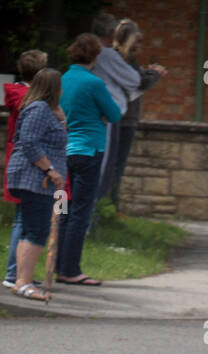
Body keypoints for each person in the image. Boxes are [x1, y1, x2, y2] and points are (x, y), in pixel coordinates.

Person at [56, 33, 121, 287]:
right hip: (88, 151)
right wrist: (100, 116)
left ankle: (57, 265)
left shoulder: (62, 79)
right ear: (95, 56)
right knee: (81, 212)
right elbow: (114, 114)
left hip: (63, 151)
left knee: (63, 210)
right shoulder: (94, 84)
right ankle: (70, 270)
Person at [5, 67, 67, 302]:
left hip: (40, 180)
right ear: (54, 88)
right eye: (60, 87)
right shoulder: (39, 109)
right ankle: (23, 282)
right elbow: (29, 141)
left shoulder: (47, 110)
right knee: (37, 230)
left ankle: (21, 281)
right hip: (35, 179)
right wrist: (49, 169)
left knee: (31, 229)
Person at [98, 19, 165, 205]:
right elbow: (137, 83)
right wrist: (154, 75)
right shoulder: (115, 58)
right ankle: (107, 204)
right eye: (137, 40)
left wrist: (149, 74)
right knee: (111, 164)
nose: (139, 45)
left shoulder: (128, 60)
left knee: (116, 164)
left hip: (126, 118)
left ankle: (111, 204)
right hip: (118, 118)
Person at [2, 49, 47, 290]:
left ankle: (19, 271)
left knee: (23, 217)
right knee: (23, 219)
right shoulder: (29, 99)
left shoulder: (22, 95)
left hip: (21, 159)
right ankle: (14, 272)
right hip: (27, 162)